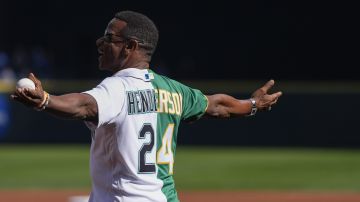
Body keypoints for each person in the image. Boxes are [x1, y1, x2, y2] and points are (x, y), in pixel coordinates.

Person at [11, 10, 282, 202]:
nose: (100, 42)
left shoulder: (117, 88)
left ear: (130, 47)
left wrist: (46, 100)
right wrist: (253, 104)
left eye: (109, 38)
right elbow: (217, 106)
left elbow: (83, 105)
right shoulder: (174, 90)